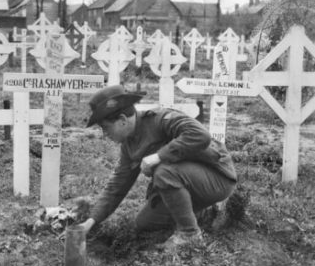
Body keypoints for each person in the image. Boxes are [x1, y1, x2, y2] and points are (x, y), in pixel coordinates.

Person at [78, 85, 237, 250]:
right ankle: (200, 214)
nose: (105, 134)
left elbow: (200, 136)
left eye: (105, 128)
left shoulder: (161, 119)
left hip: (218, 179)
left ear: (123, 120)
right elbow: (118, 185)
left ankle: (190, 234)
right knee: (144, 223)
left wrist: (158, 156)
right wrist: (91, 221)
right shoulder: (129, 144)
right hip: (190, 184)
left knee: (164, 172)